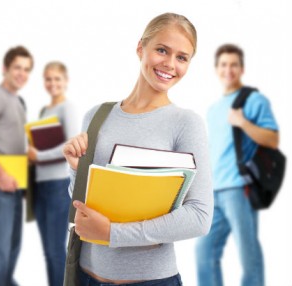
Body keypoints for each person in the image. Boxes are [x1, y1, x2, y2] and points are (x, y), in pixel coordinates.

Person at [63, 12, 213, 286]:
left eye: (182, 57)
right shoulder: (97, 116)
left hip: (151, 281)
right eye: (162, 50)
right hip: (85, 276)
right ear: (140, 48)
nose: (169, 64)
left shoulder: (185, 124)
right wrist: (76, 170)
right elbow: (82, 204)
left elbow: (199, 217)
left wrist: (113, 233)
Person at [195, 44, 279, 286]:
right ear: (216, 69)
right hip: (214, 191)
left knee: (248, 255)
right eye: (223, 64)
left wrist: (243, 123)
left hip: (238, 189)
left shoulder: (253, 100)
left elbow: (272, 139)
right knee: (204, 252)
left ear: (241, 68)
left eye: (233, 64)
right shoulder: (213, 109)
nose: (228, 69)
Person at [27, 62, 79, 286]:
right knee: (48, 251)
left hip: (58, 185)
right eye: (48, 79)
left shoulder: (67, 108)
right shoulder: (45, 111)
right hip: (41, 185)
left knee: (56, 249)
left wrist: (38, 156)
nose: (53, 83)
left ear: (65, 81)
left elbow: (69, 146)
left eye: (57, 79)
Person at [0, 46, 34, 286]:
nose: (21, 73)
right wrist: (3, 175)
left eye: (26, 69)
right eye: (17, 67)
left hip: (16, 184)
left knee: (13, 247)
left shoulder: (18, 100)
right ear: (5, 69)